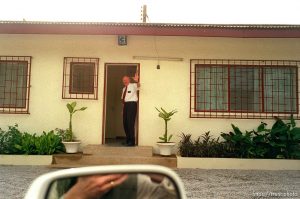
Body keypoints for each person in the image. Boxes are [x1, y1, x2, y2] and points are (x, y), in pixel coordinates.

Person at [121, 73, 140, 146]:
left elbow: (138, 86)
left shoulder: (133, 85)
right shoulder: (123, 89)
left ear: (129, 80)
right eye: (123, 80)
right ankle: (128, 139)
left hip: (132, 105)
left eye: (126, 80)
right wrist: (123, 110)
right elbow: (123, 100)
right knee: (125, 123)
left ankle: (132, 141)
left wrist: (137, 81)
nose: (124, 81)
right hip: (125, 106)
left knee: (130, 123)